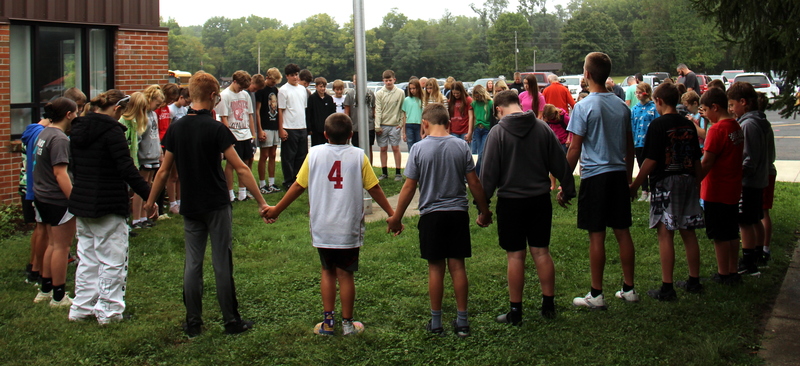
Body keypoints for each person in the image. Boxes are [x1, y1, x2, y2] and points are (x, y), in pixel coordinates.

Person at [145, 71, 268, 337]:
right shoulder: (216, 128)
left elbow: (164, 171)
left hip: (190, 205)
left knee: (193, 264)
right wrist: (261, 202)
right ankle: (231, 321)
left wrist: (150, 202)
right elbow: (241, 169)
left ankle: (193, 324)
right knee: (221, 262)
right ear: (213, 96)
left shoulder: (177, 128)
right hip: (216, 204)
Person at [265, 113, 396, 336]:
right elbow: (374, 188)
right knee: (345, 274)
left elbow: (298, 186)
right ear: (351, 135)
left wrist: (276, 209)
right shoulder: (358, 156)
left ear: (324, 134)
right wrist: (392, 214)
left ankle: (327, 324)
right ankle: (347, 325)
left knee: (327, 271)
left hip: (323, 226)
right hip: (348, 227)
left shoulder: (314, 154)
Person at [387, 103, 492, 338]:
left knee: (435, 268)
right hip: (457, 214)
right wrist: (484, 210)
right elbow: (474, 182)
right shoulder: (461, 146)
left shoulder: (418, 149)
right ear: (449, 123)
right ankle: (462, 322)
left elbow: (409, 187)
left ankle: (436, 323)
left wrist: (396, 217)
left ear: (425, 123)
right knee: (458, 266)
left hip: (431, 216)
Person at [480, 90, 576, 323]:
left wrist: (483, 208)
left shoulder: (498, 132)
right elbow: (559, 162)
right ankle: (548, 306)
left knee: (515, 256)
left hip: (511, 202)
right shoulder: (543, 128)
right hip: (539, 200)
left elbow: (488, 174)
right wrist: (568, 188)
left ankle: (515, 312)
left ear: (499, 110)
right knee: (541, 252)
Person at [68, 90, 152, 324]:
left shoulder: (78, 129)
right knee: (113, 259)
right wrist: (149, 196)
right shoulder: (112, 132)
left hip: (83, 201)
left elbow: (74, 166)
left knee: (87, 258)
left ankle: (81, 307)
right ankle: (109, 311)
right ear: (117, 109)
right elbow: (126, 168)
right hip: (108, 201)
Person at [562, 52, 638, 309]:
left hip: (595, 178)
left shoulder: (583, 107)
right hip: (618, 177)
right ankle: (629, 289)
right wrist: (628, 181)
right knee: (622, 232)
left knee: (597, 236)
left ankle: (596, 294)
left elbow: (574, 149)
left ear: (587, 74)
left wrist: (564, 181)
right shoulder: (621, 106)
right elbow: (630, 148)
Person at [628, 83, 704, 300]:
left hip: (665, 183)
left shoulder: (658, 125)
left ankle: (667, 287)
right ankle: (694, 280)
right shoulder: (688, 125)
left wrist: (635, 185)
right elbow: (696, 158)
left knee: (665, 232)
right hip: (688, 180)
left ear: (659, 101)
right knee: (688, 230)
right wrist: (698, 181)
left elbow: (651, 160)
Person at [31, 97, 79, 307]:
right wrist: (74, 200)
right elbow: (60, 173)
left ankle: (45, 289)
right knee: (62, 246)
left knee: (52, 243)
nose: (77, 116)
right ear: (68, 115)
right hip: (57, 199)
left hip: (42, 196)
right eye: (76, 112)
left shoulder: (44, 133)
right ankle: (58, 296)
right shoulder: (60, 139)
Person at [697, 87, 744, 285]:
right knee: (732, 232)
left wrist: (694, 179)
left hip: (716, 190)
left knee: (719, 235)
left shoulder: (716, 129)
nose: (705, 115)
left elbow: (707, 161)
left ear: (715, 107)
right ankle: (733, 270)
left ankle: (723, 272)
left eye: (706, 110)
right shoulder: (735, 126)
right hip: (733, 188)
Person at [728, 81, 771, 276]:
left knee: (745, 222)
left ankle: (748, 262)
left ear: (743, 102)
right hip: (760, 179)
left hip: (749, 182)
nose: (731, 109)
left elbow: (748, 159)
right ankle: (759, 253)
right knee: (755, 219)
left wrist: (736, 175)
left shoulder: (748, 125)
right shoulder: (761, 121)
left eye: (732, 105)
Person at [215, 70, 256, 202]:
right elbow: (224, 118)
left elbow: (249, 115)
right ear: (234, 82)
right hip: (234, 134)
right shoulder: (225, 96)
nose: (241, 90)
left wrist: (252, 134)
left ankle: (243, 192)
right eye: (239, 86)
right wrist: (228, 138)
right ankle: (230, 193)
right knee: (231, 165)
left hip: (245, 134)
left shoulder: (245, 95)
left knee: (245, 162)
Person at [118, 92, 153, 228]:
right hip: (125, 165)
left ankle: (128, 222)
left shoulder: (134, 122)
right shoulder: (123, 123)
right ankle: (127, 222)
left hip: (134, 163)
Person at [278, 64, 309, 190]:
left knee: (301, 155)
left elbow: (303, 108)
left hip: (302, 126)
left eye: (296, 74)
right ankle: (288, 181)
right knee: (288, 157)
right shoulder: (283, 90)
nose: (295, 77)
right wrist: (281, 129)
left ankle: (299, 180)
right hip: (289, 127)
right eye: (292, 75)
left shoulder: (302, 90)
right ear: (287, 76)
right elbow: (280, 110)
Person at [256, 67, 283, 194]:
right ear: (268, 78)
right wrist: (260, 130)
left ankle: (272, 183)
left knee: (273, 154)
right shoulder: (261, 91)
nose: (274, 84)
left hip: (274, 126)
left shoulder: (275, 90)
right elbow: (257, 111)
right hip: (265, 126)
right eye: (273, 82)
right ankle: (262, 184)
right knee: (264, 155)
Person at [375, 70, 406, 181]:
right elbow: (377, 110)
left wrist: (401, 123)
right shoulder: (379, 93)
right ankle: (384, 172)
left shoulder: (400, 93)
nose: (388, 83)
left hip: (394, 125)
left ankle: (398, 172)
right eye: (386, 81)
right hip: (383, 124)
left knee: (395, 147)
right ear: (383, 81)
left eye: (390, 80)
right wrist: (377, 126)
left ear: (394, 80)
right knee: (383, 148)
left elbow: (403, 109)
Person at [631, 82, 659, 202]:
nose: (637, 95)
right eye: (636, 93)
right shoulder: (634, 109)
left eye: (640, 92)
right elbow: (632, 126)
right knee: (641, 166)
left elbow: (656, 124)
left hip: (649, 142)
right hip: (638, 142)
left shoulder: (653, 108)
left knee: (651, 167)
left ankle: (653, 191)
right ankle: (644, 190)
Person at [756, 93, 776, 267]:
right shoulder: (764, 124)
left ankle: (764, 248)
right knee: (761, 212)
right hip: (768, 170)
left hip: (763, 172)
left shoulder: (757, 125)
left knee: (762, 213)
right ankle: (762, 246)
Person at [167, 87, 191, 214]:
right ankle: (172, 203)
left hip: (183, 144)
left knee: (181, 174)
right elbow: (168, 128)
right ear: (181, 97)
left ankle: (180, 200)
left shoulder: (185, 109)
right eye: (186, 101)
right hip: (174, 145)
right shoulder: (171, 110)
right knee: (173, 175)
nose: (187, 104)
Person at [344, 73, 376, 163]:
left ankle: (369, 166)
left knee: (368, 147)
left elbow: (374, 109)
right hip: (355, 127)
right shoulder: (350, 94)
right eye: (355, 80)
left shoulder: (370, 93)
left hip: (369, 126)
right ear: (353, 82)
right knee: (355, 149)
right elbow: (347, 111)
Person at [307, 77, 336, 147]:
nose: (323, 88)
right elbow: (309, 114)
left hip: (327, 129)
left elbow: (332, 114)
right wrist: (309, 128)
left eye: (324, 86)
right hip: (316, 130)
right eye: (321, 87)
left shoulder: (329, 99)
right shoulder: (312, 98)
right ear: (316, 87)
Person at [470, 84, 493, 173]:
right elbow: (472, 117)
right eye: (476, 97)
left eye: (478, 96)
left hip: (486, 129)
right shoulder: (474, 104)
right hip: (477, 130)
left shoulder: (490, 103)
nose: (477, 98)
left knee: (482, 153)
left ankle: (477, 173)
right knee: (476, 153)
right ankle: (478, 174)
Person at [402, 78, 423, 150]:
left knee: (419, 144)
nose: (412, 90)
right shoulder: (406, 100)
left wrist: (422, 130)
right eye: (410, 89)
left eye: (414, 88)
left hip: (419, 125)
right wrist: (404, 132)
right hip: (409, 125)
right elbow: (404, 116)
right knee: (410, 144)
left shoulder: (422, 100)